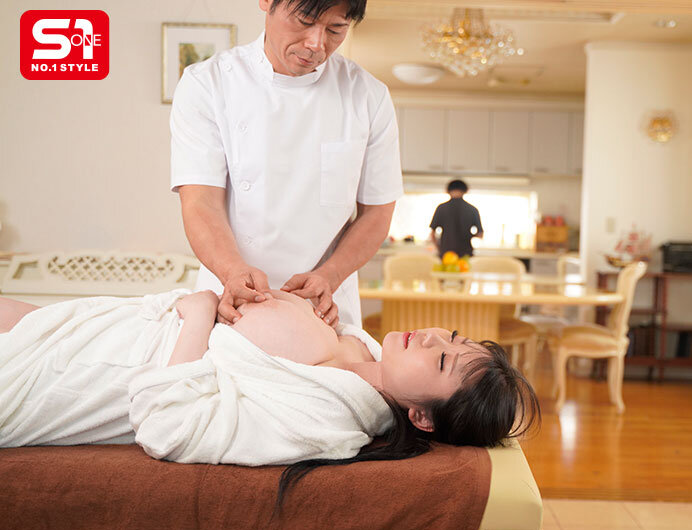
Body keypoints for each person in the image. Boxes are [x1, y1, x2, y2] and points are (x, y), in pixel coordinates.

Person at [0, 291, 540, 477]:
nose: (432, 337)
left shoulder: (328, 419)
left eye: (442, 359)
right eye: (452, 336)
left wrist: (198, 314)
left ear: (421, 417)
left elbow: (169, 428)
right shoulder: (358, 347)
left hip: (95, 370)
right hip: (99, 326)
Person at [171, 0, 403, 331]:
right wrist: (232, 271)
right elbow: (200, 201)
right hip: (230, 298)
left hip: (324, 304)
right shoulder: (208, 84)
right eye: (305, 20)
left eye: (335, 29)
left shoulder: (368, 96)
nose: (316, 44)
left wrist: (330, 275)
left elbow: (377, 212)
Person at [429, 179, 484, 258]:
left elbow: (432, 234)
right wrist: (469, 236)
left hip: (446, 253)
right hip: (466, 253)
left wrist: (439, 248)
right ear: (465, 191)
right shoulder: (472, 209)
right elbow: (480, 234)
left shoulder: (441, 208)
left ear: (447, 190)